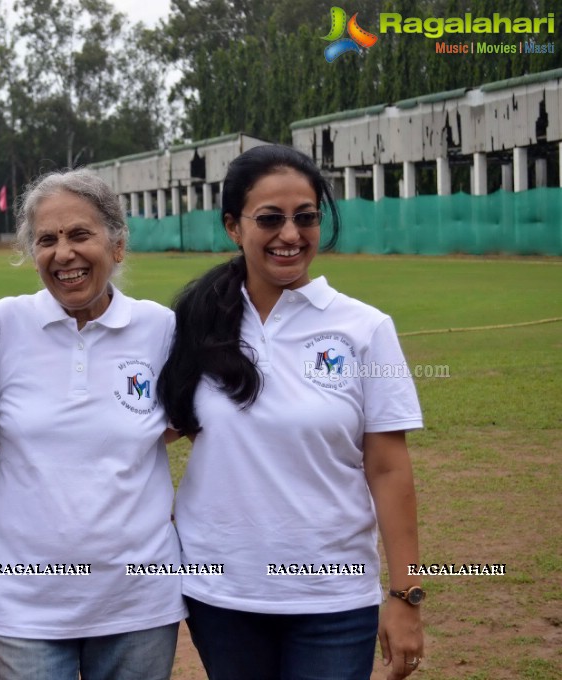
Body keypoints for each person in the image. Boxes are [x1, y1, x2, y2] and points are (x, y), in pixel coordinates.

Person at [158, 144, 425, 680]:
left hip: (333, 596)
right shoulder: (193, 322)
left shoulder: (366, 328)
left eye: (305, 218)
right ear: (234, 227)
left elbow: (389, 468)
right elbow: (157, 428)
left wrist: (405, 596)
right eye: (270, 219)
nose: (290, 234)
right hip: (221, 591)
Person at [0, 168, 185, 680]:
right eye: (47, 239)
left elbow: (175, 427)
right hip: (25, 601)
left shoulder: (160, 328)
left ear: (117, 245)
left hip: (138, 600)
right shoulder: (0, 325)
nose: (63, 253)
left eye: (80, 235)